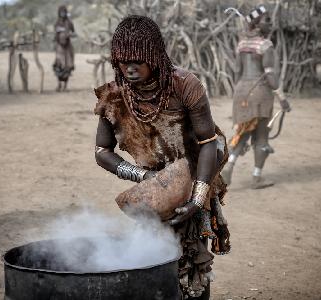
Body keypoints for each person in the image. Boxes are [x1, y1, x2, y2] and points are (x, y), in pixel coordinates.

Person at [94, 15, 230, 299]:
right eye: (123, 61)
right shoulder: (114, 94)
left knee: (193, 259)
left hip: (194, 178)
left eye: (138, 60)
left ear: (154, 56)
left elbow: (208, 142)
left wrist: (197, 198)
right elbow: (102, 152)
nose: (129, 68)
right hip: (154, 190)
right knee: (154, 258)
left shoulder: (184, 85)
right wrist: (144, 176)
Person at [225, 5, 291, 189]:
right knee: (262, 136)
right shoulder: (265, 45)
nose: (270, 24)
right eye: (267, 20)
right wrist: (282, 98)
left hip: (241, 92)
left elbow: (237, 72)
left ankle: (229, 165)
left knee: (243, 132)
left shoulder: (242, 45)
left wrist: (239, 94)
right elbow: (270, 75)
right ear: (257, 24)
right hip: (260, 93)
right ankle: (256, 177)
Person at [53, 5, 76, 92]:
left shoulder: (69, 22)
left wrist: (69, 34)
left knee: (68, 66)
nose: (62, 14)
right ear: (59, 13)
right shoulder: (57, 22)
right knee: (59, 65)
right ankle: (59, 85)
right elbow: (55, 32)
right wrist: (59, 32)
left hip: (67, 47)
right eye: (61, 12)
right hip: (59, 46)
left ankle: (65, 86)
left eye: (64, 12)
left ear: (66, 13)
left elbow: (74, 33)